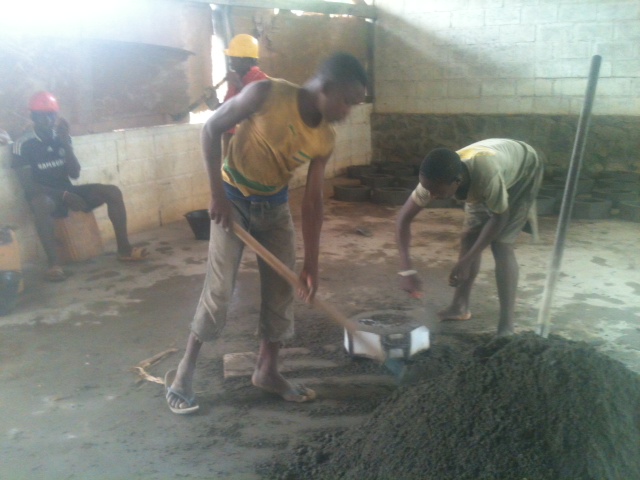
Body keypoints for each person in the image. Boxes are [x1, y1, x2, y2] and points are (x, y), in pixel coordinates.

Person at [165, 52, 367, 414]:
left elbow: (313, 202)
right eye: (347, 101)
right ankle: (184, 372)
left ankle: (267, 371)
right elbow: (210, 130)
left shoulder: (325, 138)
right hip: (233, 201)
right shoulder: (266, 94)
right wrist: (216, 195)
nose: (347, 111)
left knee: (282, 291)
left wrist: (312, 264)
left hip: (274, 208)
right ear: (326, 87)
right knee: (219, 291)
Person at [395, 138, 543, 337]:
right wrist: (406, 270)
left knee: (501, 245)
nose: (431, 195)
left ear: (457, 182)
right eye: (427, 190)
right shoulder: (433, 182)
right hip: (488, 174)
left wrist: (467, 260)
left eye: (437, 192)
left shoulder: (485, 175)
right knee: (469, 238)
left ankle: (506, 326)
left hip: (524, 168)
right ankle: (460, 307)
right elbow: (403, 219)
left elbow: (500, 217)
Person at [12, 91, 148, 282]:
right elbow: (29, 187)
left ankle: (124, 250)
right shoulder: (23, 144)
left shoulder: (61, 137)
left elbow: (74, 173)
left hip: (68, 191)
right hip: (45, 196)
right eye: (43, 115)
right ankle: (54, 265)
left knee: (112, 192)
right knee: (41, 203)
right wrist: (64, 195)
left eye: (52, 115)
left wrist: (65, 143)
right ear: (33, 116)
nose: (49, 120)